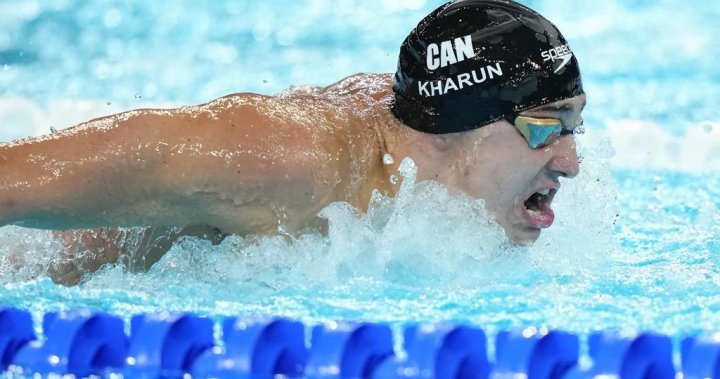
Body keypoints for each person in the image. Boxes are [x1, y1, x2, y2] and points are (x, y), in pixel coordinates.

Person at [0, 0, 586, 285]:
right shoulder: (283, 160)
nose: (571, 162)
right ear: (461, 124)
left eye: (575, 125)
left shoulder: (417, 144)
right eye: (545, 127)